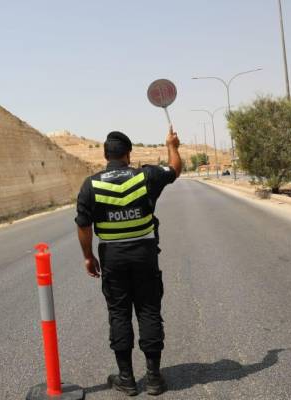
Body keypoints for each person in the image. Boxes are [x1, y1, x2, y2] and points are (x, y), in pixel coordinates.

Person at [75, 127, 181, 396]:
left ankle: (127, 379)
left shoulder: (91, 184)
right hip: (144, 255)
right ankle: (154, 379)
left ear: (105, 155)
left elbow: (84, 226)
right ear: (128, 154)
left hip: (112, 257)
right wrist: (172, 145)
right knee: (148, 310)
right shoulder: (146, 176)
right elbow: (174, 169)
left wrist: (88, 256)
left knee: (119, 313)